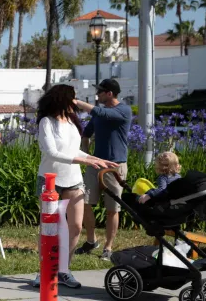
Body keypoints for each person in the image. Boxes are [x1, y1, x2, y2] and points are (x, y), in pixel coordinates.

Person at [32, 84, 118, 289]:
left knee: (76, 226)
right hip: (49, 180)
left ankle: (64, 270)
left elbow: (75, 150)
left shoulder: (71, 122)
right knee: (49, 229)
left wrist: (96, 159)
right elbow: (52, 153)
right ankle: (44, 271)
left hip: (73, 179)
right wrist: (87, 162)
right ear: (63, 98)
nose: (76, 101)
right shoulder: (46, 122)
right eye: (73, 97)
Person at [73, 79, 132, 261]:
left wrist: (76, 102)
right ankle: (91, 241)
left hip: (115, 167)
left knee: (112, 209)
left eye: (100, 92)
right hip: (95, 165)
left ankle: (108, 247)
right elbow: (86, 133)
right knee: (85, 202)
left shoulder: (123, 110)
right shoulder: (99, 115)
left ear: (110, 93)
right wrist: (87, 155)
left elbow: (99, 112)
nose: (97, 95)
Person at [121, 152, 182, 217]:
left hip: (162, 203)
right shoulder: (178, 176)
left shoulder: (163, 177)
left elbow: (162, 189)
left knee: (129, 197)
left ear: (160, 166)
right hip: (172, 202)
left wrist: (149, 195)